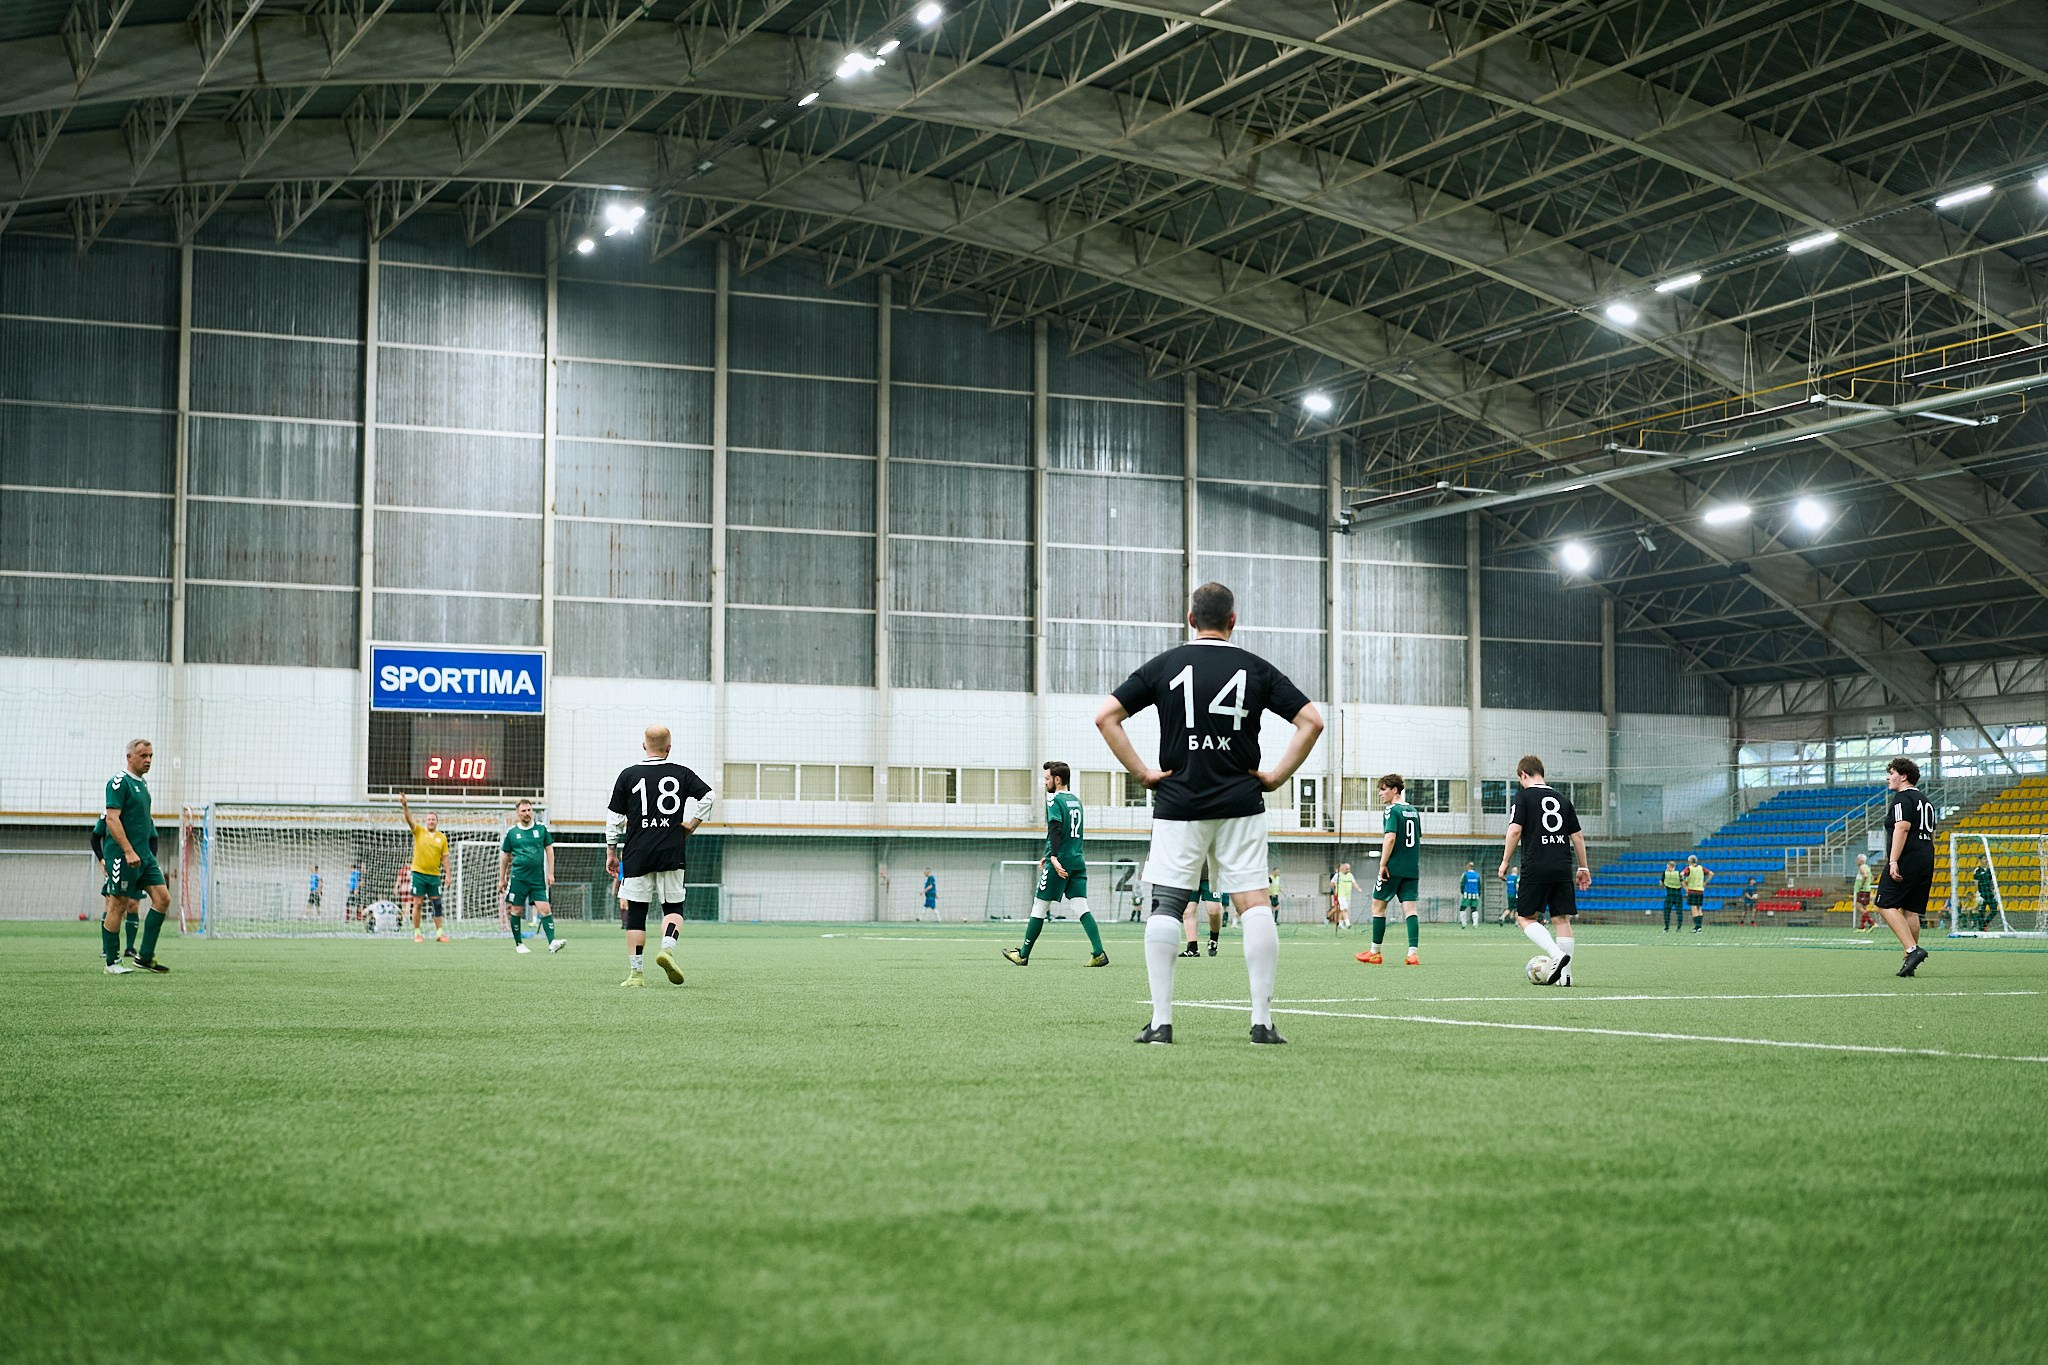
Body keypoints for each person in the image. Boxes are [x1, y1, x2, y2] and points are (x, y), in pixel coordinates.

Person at [1096, 581, 1323, 1045]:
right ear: (1233, 621)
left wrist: (1142, 773)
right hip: (1241, 802)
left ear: (1190, 620)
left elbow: (1106, 717)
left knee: (1168, 903)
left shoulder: (1166, 665)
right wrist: (1277, 775)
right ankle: (1261, 1022)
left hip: (1179, 802)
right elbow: (1312, 721)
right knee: (1253, 902)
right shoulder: (1254, 668)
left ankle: (1161, 1022)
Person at [607, 724, 714, 987]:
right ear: (669, 748)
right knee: (673, 907)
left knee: (636, 913)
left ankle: (636, 974)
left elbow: (614, 819)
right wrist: (692, 824)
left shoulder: (628, 775)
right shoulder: (681, 774)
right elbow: (709, 796)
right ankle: (666, 949)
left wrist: (611, 851)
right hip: (671, 848)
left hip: (636, 853)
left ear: (644, 746)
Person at [1004, 761, 1108, 967]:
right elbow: (1069, 832)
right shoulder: (1076, 801)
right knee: (1080, 906)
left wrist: (1053, 857)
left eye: (1047, 778)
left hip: (1060, 862)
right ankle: (1099, 953)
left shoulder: (1053, 800)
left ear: (1057, 780)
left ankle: (1023, 954)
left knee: (1039, 906)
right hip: (1077, 860)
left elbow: (1056, 829)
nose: (1045, 782)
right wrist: (1048, 853)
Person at [1497, 755, 1589, 986]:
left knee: (1525, 917)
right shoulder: (1562, 799)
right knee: (1561, 918)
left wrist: (1505, 861)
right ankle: (1566, 978)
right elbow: (1577, 836)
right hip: (1562, 863)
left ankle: (1556, 955)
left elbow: (1515, 830)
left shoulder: (1524, 797)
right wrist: (1583, 866)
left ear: (1523, 775)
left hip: (1536, 863)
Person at [100, 739, 172, 974]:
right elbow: (112, 819)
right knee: (118, 905)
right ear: (129, 757)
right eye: (143, 755)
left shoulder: (144, 785)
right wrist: (128, 850)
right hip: (123, 856)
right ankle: (112, 962)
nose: (148, 760)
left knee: (162, 899)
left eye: (151, 755)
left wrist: (145, 852)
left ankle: (145, 956)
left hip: (145, 856)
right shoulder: (119, 783)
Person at [1873, 757, 1935, 977]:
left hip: (1907, 857)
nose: (1888, 777)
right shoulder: (1925, 801)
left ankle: (1912, 950)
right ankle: (1911, 961)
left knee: (1884, 903)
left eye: (1891, 773)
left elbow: (1902, 828)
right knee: (1911, 909)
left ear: (1904, 775)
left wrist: (1893, 861)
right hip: (1926, 856)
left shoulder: (1901, 799)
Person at [1357, 774, 1422, 966]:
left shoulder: (1391, 810)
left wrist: (1383, 864)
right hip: (1412, 868)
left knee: (1378, 907)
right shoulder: (1414, 811)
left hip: (1392, 868)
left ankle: (1375, 952)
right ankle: (1412, 954)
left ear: (1395, 790)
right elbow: (1417, 838)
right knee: (1410, 909)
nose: (1380, 793)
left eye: (1383, 789)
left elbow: (1390, 838)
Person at [499, 798, 564, 955]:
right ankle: (519, 944)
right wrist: (501, 878)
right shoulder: (512, 832)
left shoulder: (541, 829)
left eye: (529, 810)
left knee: (545, 908)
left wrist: (550, 873)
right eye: (523, 811)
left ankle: (552, 942)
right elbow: (505, 856)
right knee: (516, 909)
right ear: (518, 813)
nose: (527, 813)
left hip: (537, 878)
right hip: (518, 878)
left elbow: (549, 850)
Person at [399, 793, 450, 943]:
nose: (431, 821)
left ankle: (439, 933)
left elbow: (445, 858)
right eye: (428, 819)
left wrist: (448, 875)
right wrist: (405, 805)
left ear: (437, 822)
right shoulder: (419, 831)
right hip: (418, 873)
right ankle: (417, 933)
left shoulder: (442, 837)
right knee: (418, 903)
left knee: (437, 904)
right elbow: (409, 819)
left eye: (433, 819)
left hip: (434, 875)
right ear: (425, 821)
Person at [1683, 854, 1711, 933]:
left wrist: (1684, 885)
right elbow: (1711, 873)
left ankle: (1696, 927)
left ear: (1689, 861)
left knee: (1694, 908)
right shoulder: (1701, 868)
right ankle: (1699, 927)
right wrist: (1705, 882)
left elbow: (1682, 874)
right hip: (1700, 891)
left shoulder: (1689, 868)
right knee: (1699, 908)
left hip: (1692, 891)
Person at [1971, 856, 1999, 932]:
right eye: (1984, 859)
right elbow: (1976, 882)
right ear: (1980, 860)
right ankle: (1981, 929)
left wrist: (1995, 893)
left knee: (1994, 910)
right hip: (1982, 893)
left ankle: (1985, 924)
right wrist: (1978, 893)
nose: (1986, 860)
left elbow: (1992, 883)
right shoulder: (1977, 870)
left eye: (1986, 859)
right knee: (1981, 911)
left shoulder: (1990, 870)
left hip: (1989, 894)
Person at [1328, 862, 1356, 930]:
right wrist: (1334, 891)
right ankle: (1327, 918)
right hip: (1336, 894)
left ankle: (1340, 924)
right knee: (1337, 908)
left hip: (1345, 895)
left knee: (1341, 909)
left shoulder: (1347, 875)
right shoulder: (1335, 875)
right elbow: (1332, 884)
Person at [1852, 854, 1876, 931]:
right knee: (1863, 908)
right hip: (1866, 889)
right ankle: (1862, 927)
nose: (1856, 861)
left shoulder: (1862, 867)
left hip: (1863, 890)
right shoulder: (1867, 867)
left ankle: (1872, 922)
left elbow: (1865, 876)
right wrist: (1868, 884)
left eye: (1857, 859)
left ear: (1861, 860)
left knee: (1858, 906)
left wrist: (1863, 885)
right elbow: (1872, 877)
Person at [1661, 860, 1683, 932]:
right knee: (1679, 911)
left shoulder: (1665, 873)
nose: (1667, 868)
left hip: (1669, 894)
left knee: (1667, 911)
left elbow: (1661, 883)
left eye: (1667, 866)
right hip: (1678, 895)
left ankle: (1666, 927)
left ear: (1670, 866)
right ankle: (1679, 927)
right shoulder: (1678, 873)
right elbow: (1683, 883)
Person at [1458, 861, 1482, 928]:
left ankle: (1464, 923)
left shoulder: (1465, 874)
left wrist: (1463, 892)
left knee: (1462, 908)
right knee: (1474, 908)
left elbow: (1462, 884)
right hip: (1475, 894)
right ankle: (1475, 924)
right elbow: (1479, 885)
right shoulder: (1477, 875)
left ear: (1467, 866)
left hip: (1467, 894)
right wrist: (1479, 893)